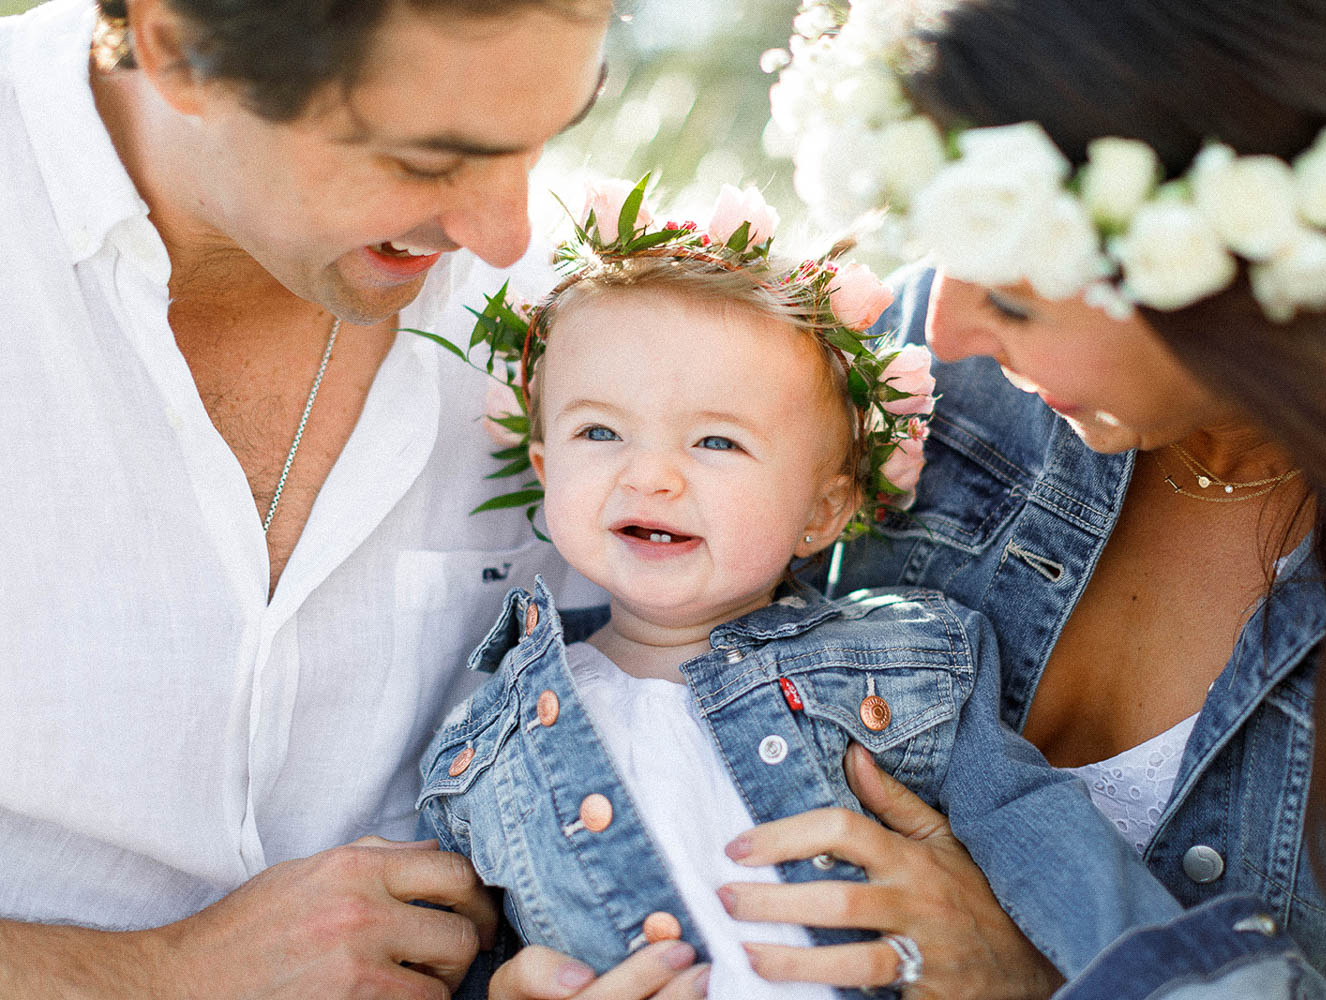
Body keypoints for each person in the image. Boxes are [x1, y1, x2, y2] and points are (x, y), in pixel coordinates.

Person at [704, 0, 1326, 998]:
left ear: (1228, 275)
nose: (941, 329)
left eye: (1014, 298)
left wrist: (1037, 978)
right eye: (944, 241)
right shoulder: (901, 371)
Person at [0, 0, 675, 995]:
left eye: (543, 140)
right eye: (425, 159)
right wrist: (161, 976)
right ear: (179, 47)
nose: (505, 233)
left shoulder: (590, 312)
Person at [414, 181, 1181, 1000]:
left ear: (824, 510)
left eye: (716, 441)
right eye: (599, 431)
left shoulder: (913, 667)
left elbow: (1047, 840)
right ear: (543, 467)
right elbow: (472, 950)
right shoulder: (481, 743)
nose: (650, 475)